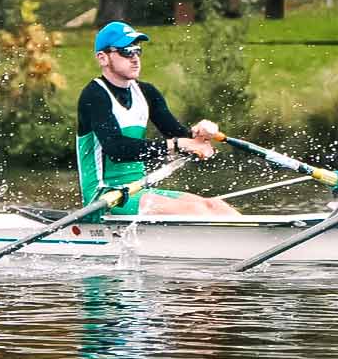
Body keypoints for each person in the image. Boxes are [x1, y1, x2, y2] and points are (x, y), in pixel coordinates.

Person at [76, 20, 238, 217]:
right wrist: (178, 144)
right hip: (104, 196)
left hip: (137, 191)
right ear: (103, 58)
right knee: (195, 211)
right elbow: (116, 149)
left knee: (216, 206)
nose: (135, 58)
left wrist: (200, 134)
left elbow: (180, 137)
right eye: (126, 51)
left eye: (137, 51)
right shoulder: (94, 96)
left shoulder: (147, 92)